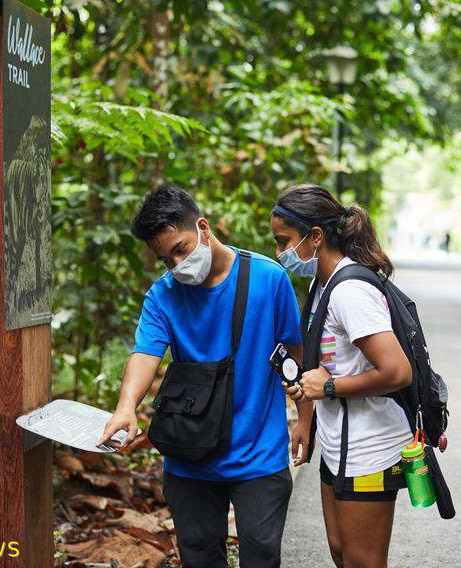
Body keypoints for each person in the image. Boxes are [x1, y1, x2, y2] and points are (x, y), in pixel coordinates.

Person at [97, 184, 312, 568]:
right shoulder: (163, 295)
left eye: (180, 249)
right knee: (199, 558)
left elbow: (295, 355)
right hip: (189, 454)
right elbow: (145, 354)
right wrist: (126, 407)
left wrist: (305, 419)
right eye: (165, 259)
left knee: (262, 557)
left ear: (203, 228)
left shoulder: (268, 278)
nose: (177, 264)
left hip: (258, 453)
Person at [269, 184, 413, 568]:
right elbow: (324, 364)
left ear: (315, 236)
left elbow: (398, 371)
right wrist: (306, 422)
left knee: (363, 561)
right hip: (339, 443)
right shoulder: (322, 284)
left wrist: (329, 387)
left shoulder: (350, 290)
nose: (280, 254)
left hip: (370, 448)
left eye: (284, 242)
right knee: (340, 550)